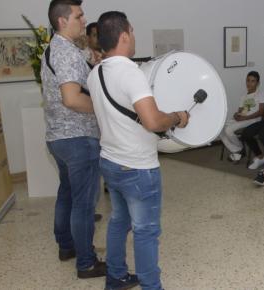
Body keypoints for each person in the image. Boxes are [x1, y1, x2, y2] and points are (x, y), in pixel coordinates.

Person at [88, 11, 189, 290]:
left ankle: (116, 276)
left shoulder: (95, 73)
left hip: (110, 161)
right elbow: (153, 121)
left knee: (119, 221)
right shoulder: (130, 72)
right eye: (132, 32)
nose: (134, 37)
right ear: (123, 36)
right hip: (138, 167)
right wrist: (178, 117)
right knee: (146, 232)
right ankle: (151, 286)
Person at [42, 0, 105, 279]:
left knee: (67, 193)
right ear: (62, 22)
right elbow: (72, 98)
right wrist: (105, 109)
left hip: (58, 138)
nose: (84, 20)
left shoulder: (58, 48)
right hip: (77, 138)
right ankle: (87, 263)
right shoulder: (65, 52)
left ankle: (66, 245)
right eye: (79, 16)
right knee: (83, 203)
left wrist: (93, 62)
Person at [220, 71, 264, 162]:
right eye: (248, 80)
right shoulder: (244, 96)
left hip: (254, 120)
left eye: (253, 81)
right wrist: (236, 115)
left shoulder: (261, 94)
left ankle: (239, 150)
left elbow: (261, 112)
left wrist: (245, 118)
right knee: (220, 128)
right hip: (243, 119)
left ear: (258, 83)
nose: (249, 83)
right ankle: (237, 149)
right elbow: (240, 111)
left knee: (228, 130)